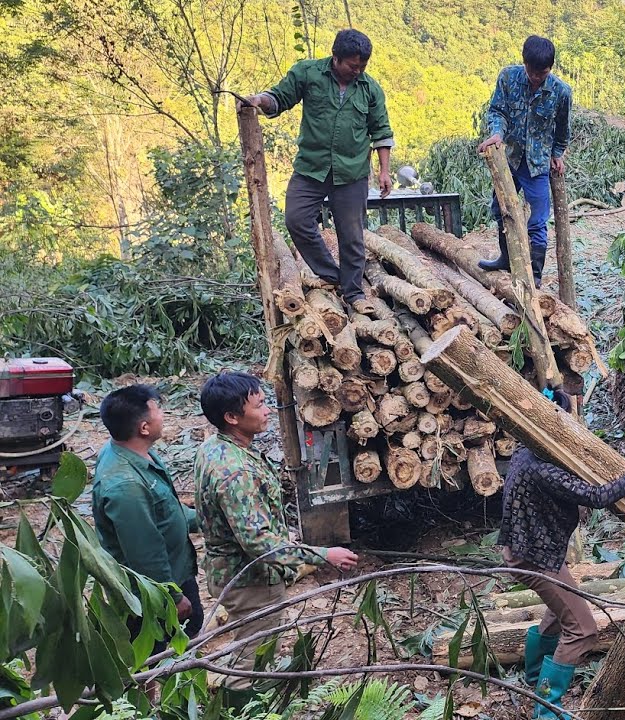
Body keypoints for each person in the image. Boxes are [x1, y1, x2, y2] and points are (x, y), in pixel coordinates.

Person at [194, 372, 360, 704]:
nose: (268, 410)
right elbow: (258, 542)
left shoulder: (215, 447)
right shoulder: (236, 471)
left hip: (232, 572)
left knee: (250, 643)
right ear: (232, 417)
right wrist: (322, 555)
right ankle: (241, 708)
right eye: (259, 405)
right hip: (251, 581)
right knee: (251, 659)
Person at [498, 390, 625, 718]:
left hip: (530, 551)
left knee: (559, 613)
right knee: (583, 630)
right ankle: (547, 709)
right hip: (535, 557)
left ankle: (535, 679)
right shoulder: (543, 469)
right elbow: (595, 497)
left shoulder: (525, 450)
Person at [242, 29, 395, 311]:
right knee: (296, 219)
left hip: (352, 172)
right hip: (311, 167)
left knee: (351, 235)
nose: (357, 71)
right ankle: (331, 275)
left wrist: (384, 171)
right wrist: (260, 100)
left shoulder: (370, 89)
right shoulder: (308, 73)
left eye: (362, 66)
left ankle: (354, 293)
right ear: (336, 58)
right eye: (352, 66)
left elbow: (382, 132)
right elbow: (279, 98)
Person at [92, 384, 203, 637]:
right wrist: (171, 597)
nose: (163, 415)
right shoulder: (126, 487)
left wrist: (203, 519)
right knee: (166, 641)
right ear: (144, 428)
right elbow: (144, 553)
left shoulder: (132, 452)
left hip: (175, 569)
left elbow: (164, 509)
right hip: (154, 590)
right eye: (158, 411)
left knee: (192, 622)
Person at [477, 35, 573, 288]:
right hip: (509, 159)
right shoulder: (508, 78)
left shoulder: (561, 92)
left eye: (542, 73)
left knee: (538, 221)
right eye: (532, 72)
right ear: (524, 63)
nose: (536, 78)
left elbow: (563, 129)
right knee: (500, 209)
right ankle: (506, 259)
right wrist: (497, 133)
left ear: (550, 68)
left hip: (538, 165)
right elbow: (497, 111)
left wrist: (557, 153)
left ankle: (535, 275)